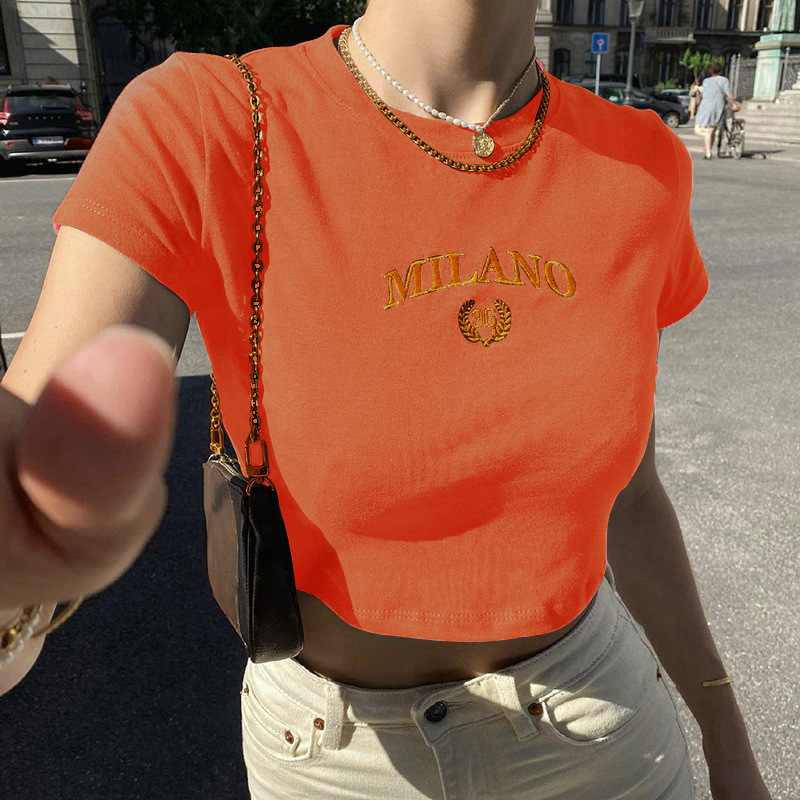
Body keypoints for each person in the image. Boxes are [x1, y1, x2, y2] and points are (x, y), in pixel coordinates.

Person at [0, 2, 773, 799]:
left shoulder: (641, 162)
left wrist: (726, 735)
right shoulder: (205, 121)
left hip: (600, 730)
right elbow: (36, 458)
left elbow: (633, 498)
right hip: (334, 758)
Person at [694, 62, 736, 159]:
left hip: (705, 106)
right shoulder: (724, 80)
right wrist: (733, 103)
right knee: (710, 130)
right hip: (717, 106)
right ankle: (709, 151)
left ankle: (708, 152)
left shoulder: (706, 81)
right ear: (720, 70)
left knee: (709, 130)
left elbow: (704, 93)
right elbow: (728, 93)